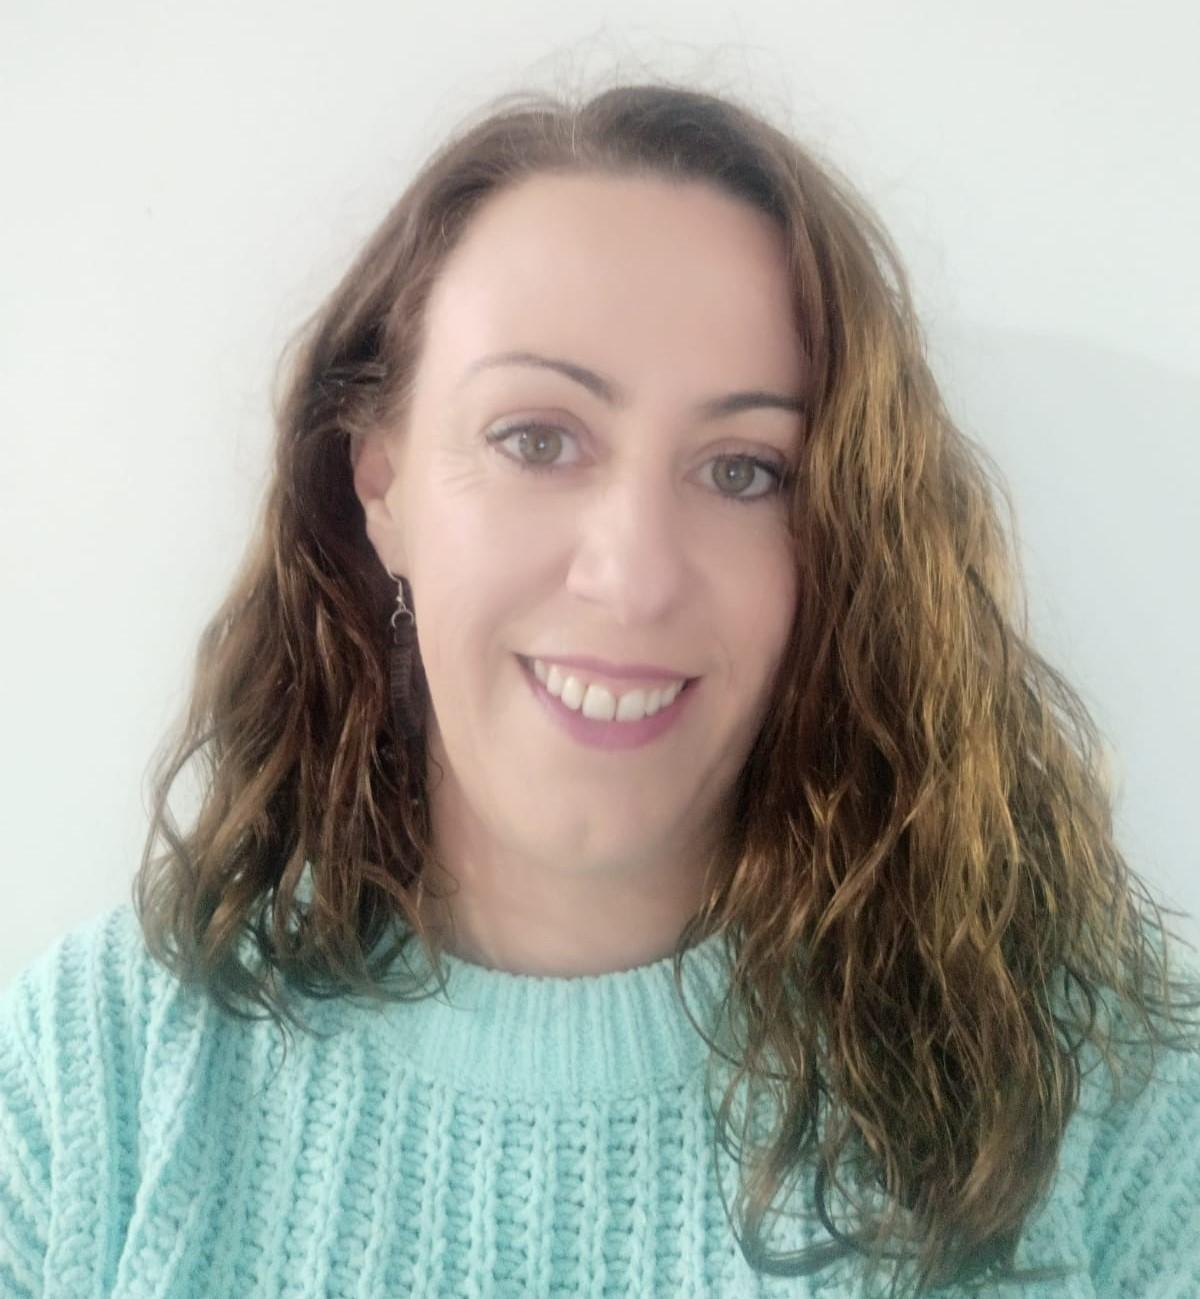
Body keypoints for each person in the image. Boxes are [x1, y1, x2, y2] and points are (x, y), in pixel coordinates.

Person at [2, 77, 1198, 1299]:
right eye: (536, 439)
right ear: (380, 484)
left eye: (744, 470)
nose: (632, 578)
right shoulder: (91, 1083)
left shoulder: (1113, 1105)